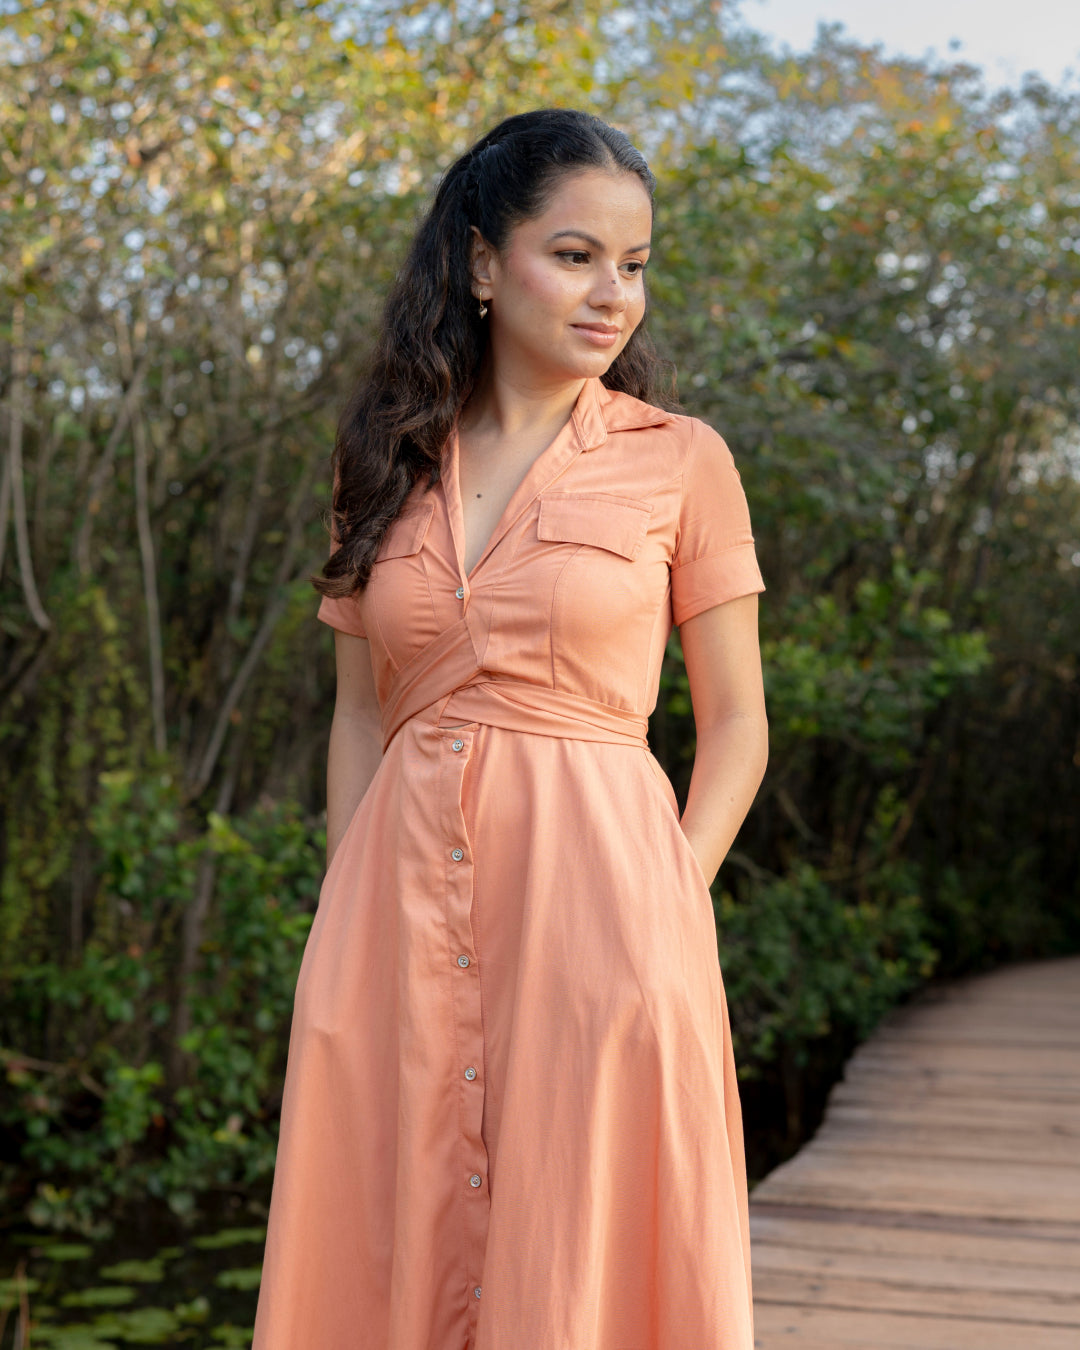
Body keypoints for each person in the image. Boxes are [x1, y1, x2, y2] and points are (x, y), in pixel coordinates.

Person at [252, 107, 768, 1350]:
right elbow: (360, 717)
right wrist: (345, 915)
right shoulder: (379, 460)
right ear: (484, 264)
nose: (614, 295)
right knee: (389, 1241)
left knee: (577, 1243)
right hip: (396, 918)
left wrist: (667, 904)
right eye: (577, 255)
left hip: (606, 913)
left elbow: (740, 727)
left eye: (635, 265)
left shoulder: (681, 461)